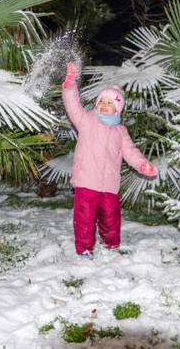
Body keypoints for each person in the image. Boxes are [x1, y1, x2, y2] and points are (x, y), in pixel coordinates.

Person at [62, 61, 157, 257]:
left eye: (110, 103)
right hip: (87, 181)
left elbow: (131, 151)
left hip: (109, 184)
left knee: (111, 217)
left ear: (118, 108)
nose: (105, 106)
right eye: (102, 102)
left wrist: (142, 164)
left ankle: (111, 246)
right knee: (85, 218)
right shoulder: (86, 120)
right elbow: (72, 106)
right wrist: (70, 85)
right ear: (97, 104)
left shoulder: (120, 131)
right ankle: (85, 250)